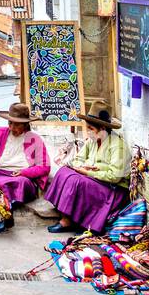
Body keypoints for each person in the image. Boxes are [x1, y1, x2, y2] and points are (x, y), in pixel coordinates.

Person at [44, 100, 129, 234]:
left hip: (113, 189)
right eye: (87, 128)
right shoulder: (93, 141)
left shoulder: (117, 146)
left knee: (76, 181)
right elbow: (77, 160)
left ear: (102, 129)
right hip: (95, 179)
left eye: (91, 129)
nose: (87, 132)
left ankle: (72, 222)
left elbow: (115, 177)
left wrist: (90, 172)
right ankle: (68, 217)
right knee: (64, 172)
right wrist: (84, 167)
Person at [0, 102, 50, 207]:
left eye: (17, 124)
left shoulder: (35, 140)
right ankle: (4, 206)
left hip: (22, 177)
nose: (12, 127)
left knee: (21, 184)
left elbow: (44, 167)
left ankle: (8, 206)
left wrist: (25, 172)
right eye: (10, 123)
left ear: (25, 124)